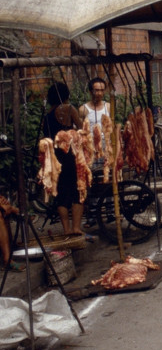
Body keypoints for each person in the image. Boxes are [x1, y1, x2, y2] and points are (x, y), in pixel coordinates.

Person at [42, 82, 85, 237]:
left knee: (61, 194)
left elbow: (47, 137)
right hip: (70, 156)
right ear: (66, 94)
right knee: (78, 191)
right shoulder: (68, 109)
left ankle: (66, 229)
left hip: (55, 159)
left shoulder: (46, 116)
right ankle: (76, 228)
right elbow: (81, 128)